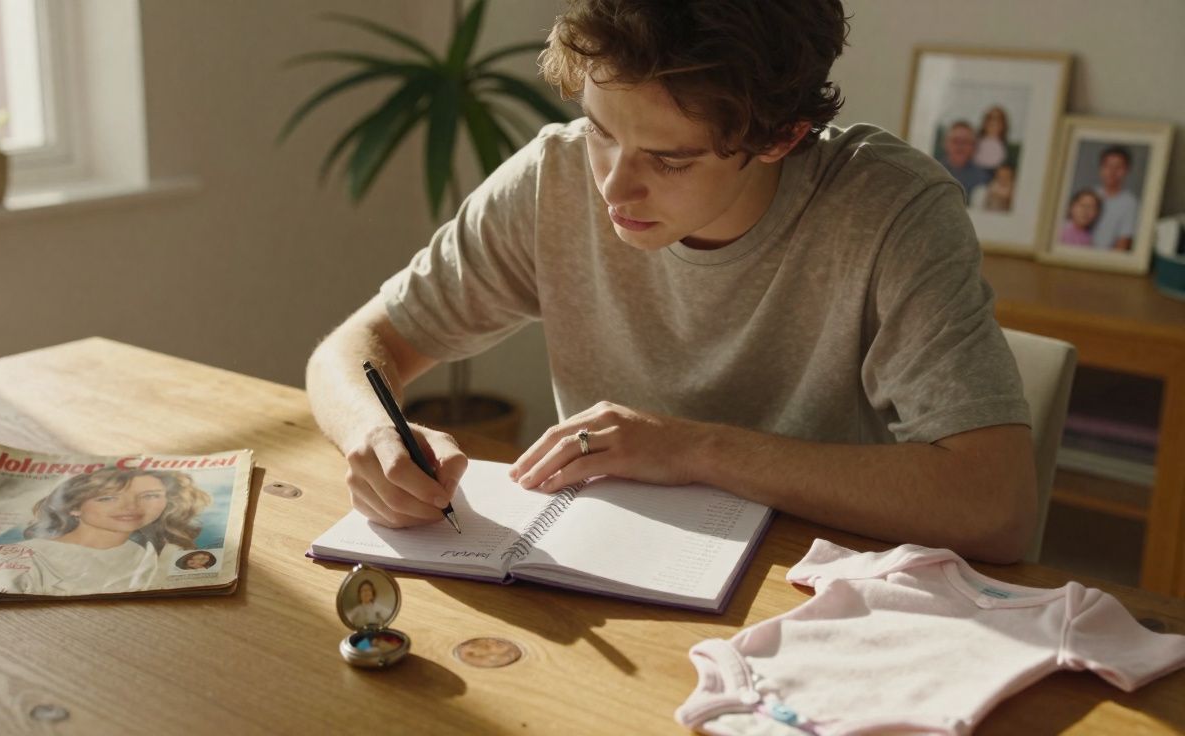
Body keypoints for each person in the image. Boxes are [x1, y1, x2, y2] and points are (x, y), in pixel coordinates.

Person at [306, 0, 1036, 564]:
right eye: (600, 130)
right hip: (604, 575)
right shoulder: (552, 178)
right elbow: (355, 350)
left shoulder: (890, 212)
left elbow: (994, 504)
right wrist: (372, 434)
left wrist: (693, 449)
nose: (614, 188)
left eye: (670, 161)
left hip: (817, 597)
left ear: (782, 138)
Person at [0, 468, 213, 595]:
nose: (131, 507)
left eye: (150, 496)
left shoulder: (161, 553)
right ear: (74, 507)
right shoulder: (19, 557)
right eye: (107, 498)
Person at [1090, 146, 1138, 251]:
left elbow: (1124, 242)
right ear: (1100, 168)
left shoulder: (1130, 203)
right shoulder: (1089, 195)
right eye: (1108, 166)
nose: (1112, 172)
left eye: (1118, 167)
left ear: (1127, 170)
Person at [936, 120, 990, 198]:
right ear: (945, 143)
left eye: (966, 142)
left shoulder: (983, 178)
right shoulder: (932, 172)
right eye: (955, 141)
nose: (960, 146)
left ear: (974, 146)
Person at [972, 106, 1009, 171]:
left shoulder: (1005, 146)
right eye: (991, 118)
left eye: (999, 119)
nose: (994, 122)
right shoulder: (974, 141)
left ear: (1004, 125)